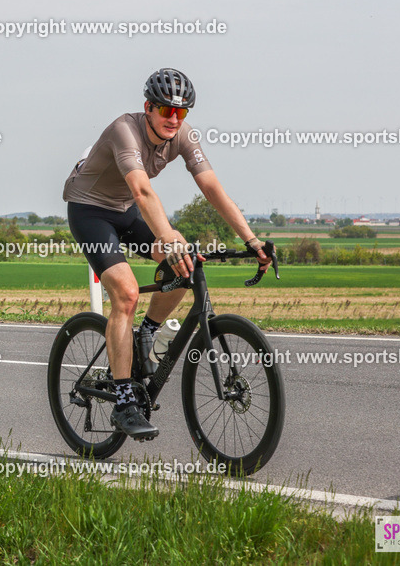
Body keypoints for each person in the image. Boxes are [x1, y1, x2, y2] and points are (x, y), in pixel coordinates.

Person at [63, 68, 270, 441]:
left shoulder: (184, 137)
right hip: (90, 210)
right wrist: (169, 235)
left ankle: (147, 332)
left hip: (125, 209)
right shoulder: (124, 130)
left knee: (185, 266)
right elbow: (143, 191)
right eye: (165, 111)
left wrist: (252, 240)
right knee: (126, 293)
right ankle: (125, 402)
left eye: (182, 112)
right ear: (148, 108)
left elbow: (212, 188)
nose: (173, 119)